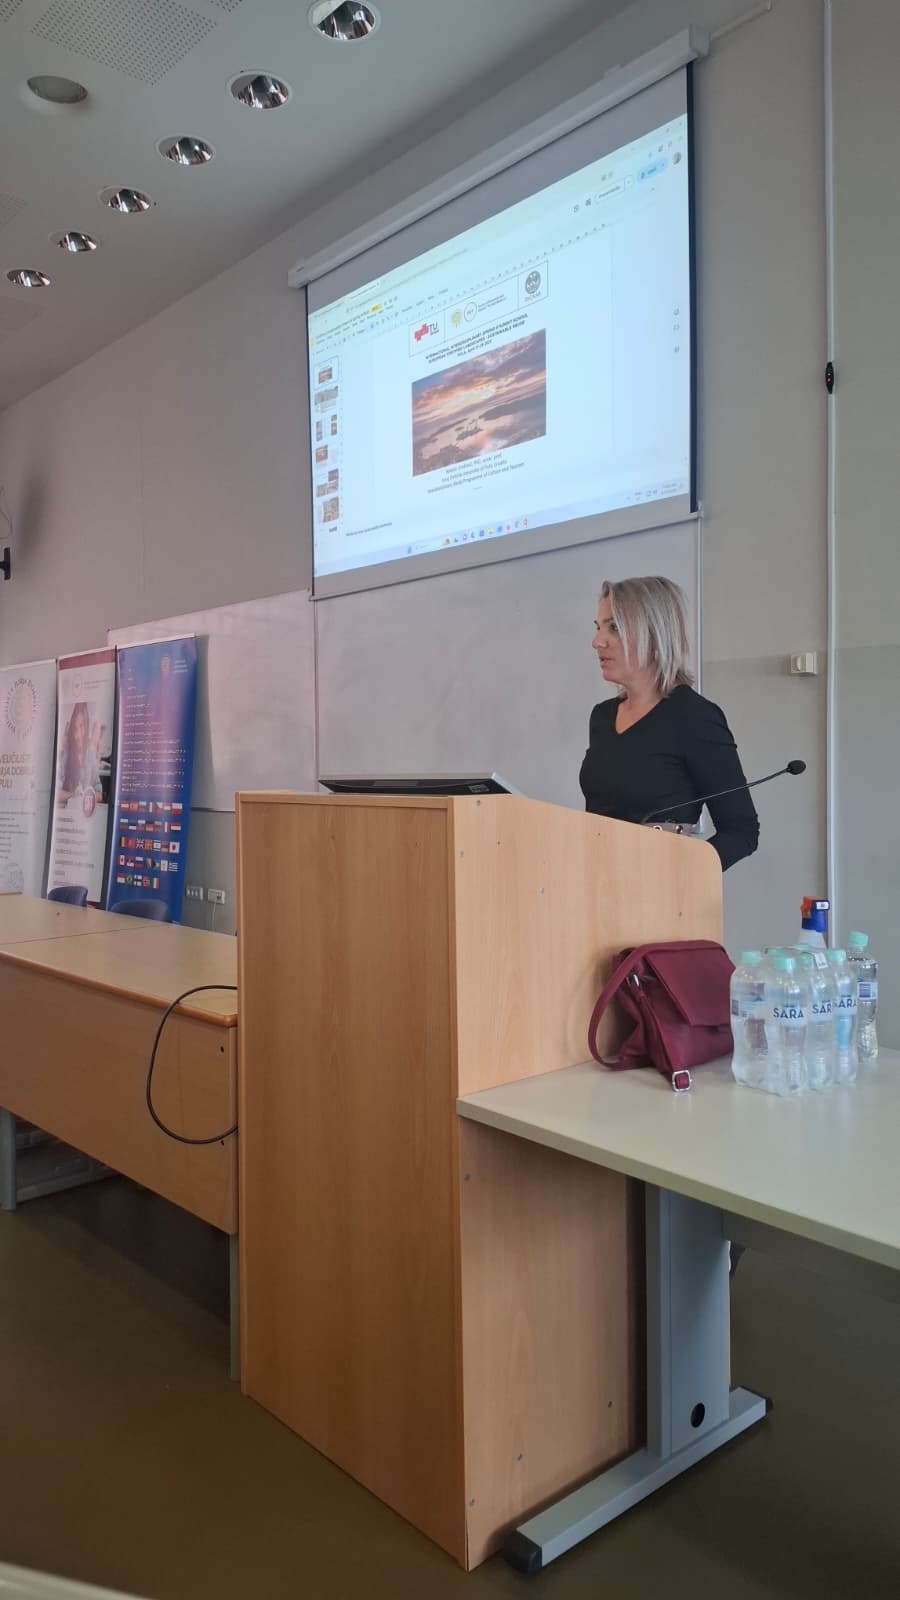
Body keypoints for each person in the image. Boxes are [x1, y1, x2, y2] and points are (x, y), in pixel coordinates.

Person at [579, 576, 759, 870]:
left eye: (614, 628)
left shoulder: (694, 717)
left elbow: (742, 832)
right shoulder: (602, 716)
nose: (597, 641)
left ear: (654, 635)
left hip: (661, 889)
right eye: (598, 627)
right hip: (596, 882)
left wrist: (681, 874)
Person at [57, 701, 101, 803]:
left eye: (81, 726)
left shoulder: (90, 752)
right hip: (67, 810)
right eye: (75, 728)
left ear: (86, 727)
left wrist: (87, 797)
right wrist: (73, 795)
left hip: (85, 810)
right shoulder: (66, 752)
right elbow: (56, 793)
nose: (78, 734)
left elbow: (99, 793)